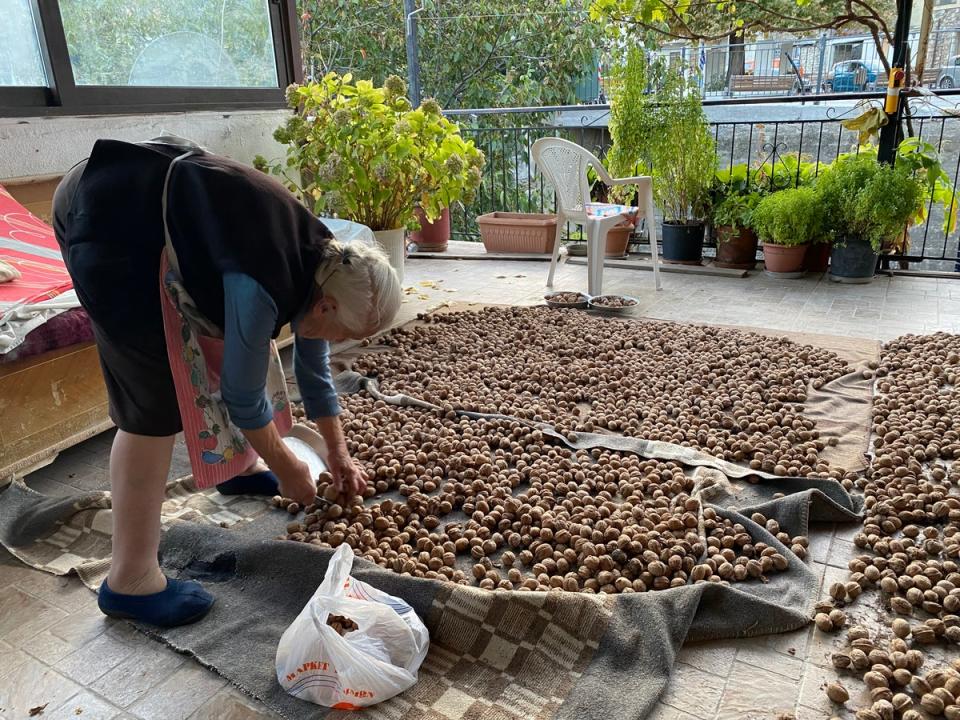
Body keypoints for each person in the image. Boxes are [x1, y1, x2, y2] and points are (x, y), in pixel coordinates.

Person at [52, 136, 401, 627]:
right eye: (343, 332)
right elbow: (239, 394)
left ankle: (236, 466)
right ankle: (129, 581)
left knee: (227, 348)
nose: (337, 342)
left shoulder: (330, 267)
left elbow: (313, 366)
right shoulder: (267, 280)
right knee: (151, 406)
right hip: (109, 214)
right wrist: (287, 467)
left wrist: (337, 451)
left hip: (168, 206)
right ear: (325, 305)